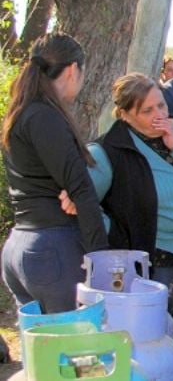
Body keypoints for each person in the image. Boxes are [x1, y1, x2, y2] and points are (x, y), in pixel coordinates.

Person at [87, 73, 173, 381]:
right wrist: (114, 232)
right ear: (125, 114)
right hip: (151, 272)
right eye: (147, 110)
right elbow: (84, 204)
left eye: (161, 106)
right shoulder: (109, 150)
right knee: (151, 355)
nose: (159, 116)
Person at [0, 32, 108, 313]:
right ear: (73, 69)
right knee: (72, 350)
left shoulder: (21, 112)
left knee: (41, 353)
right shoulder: (45, 116)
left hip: (21, 245)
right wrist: (103, 261)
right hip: (52, 249)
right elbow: (82, 189)